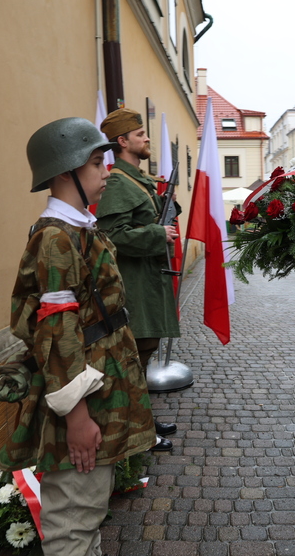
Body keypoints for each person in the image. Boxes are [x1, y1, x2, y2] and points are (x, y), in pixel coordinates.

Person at [0, 117, 155, 556]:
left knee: (86, 517)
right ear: (66, 171)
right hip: (81, 398)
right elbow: (55, 330)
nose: (107, 172)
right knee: (72, 524)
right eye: (97, 163)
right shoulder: (56, 238)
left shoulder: (77, 229)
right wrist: (77, 416)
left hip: (98, 387)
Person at [96, 108, 181, 451]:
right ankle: (137, 430)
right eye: (140, 134)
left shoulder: (137, 180)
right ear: (122, 141)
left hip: (149, 279)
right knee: (135, 356)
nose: (146, 138)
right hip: (135, 283)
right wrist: (157, 233)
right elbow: (112, 233)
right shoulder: (118, 182)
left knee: (143, 355)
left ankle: (142, 418)